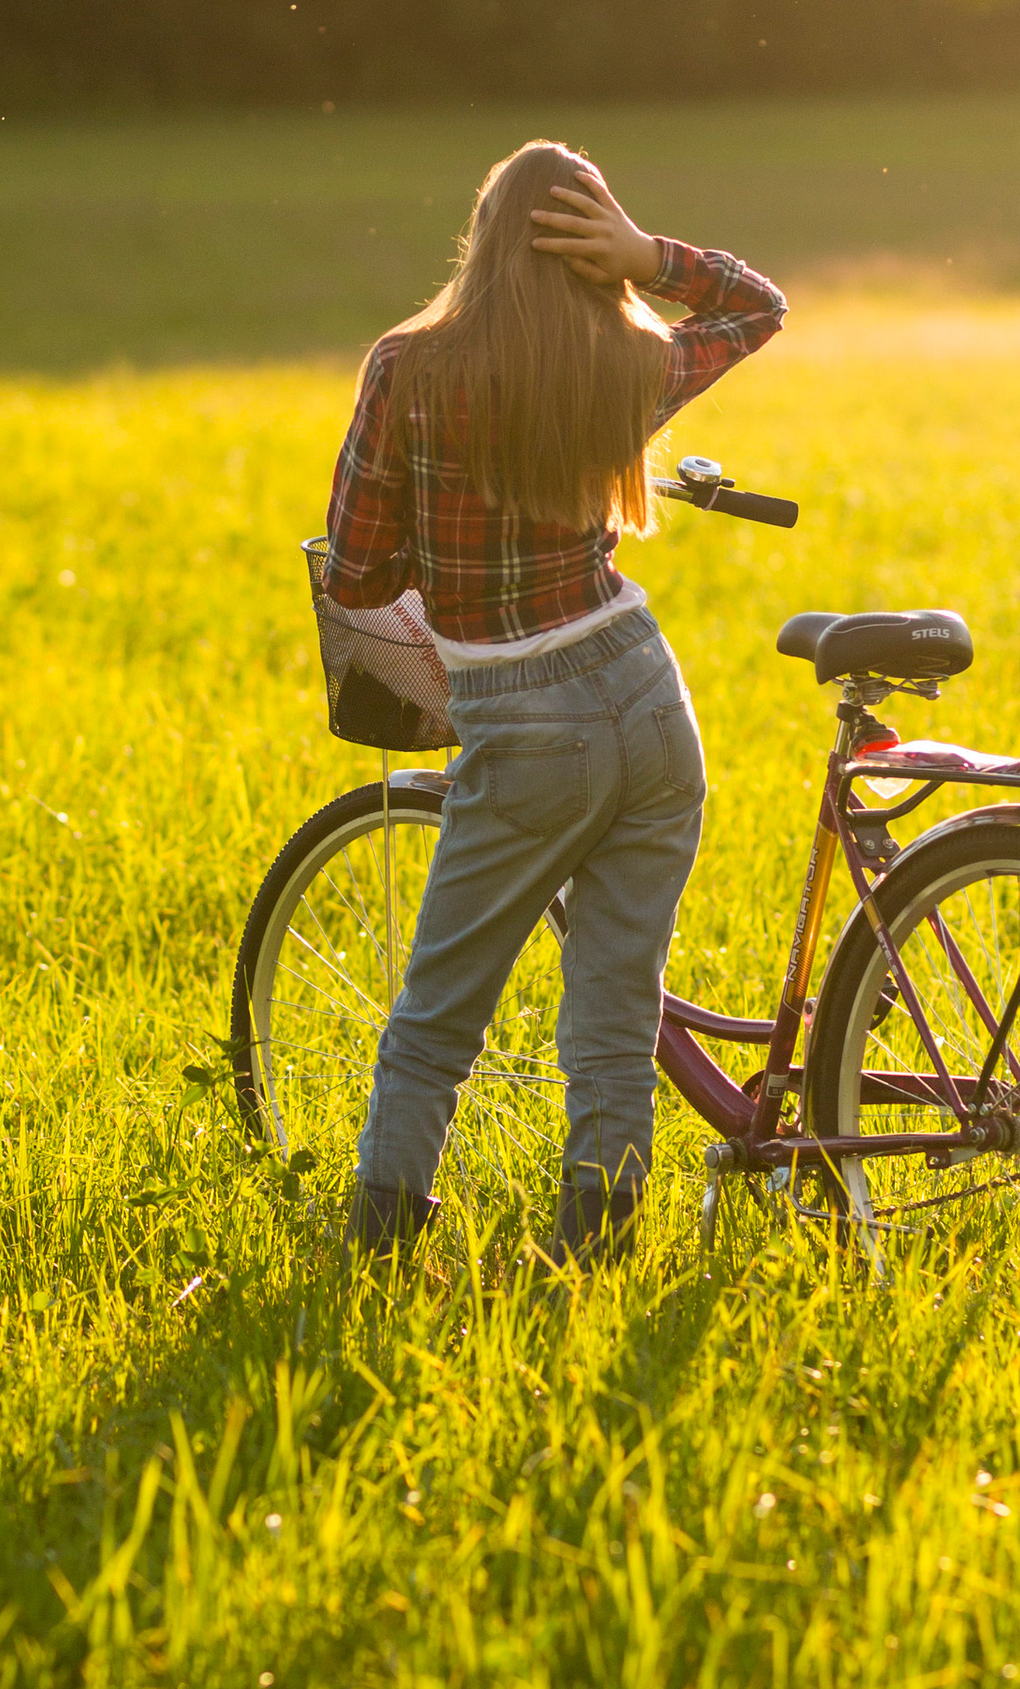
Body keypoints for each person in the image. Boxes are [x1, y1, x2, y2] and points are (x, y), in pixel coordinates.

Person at [321, 139, 788, 1267]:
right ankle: (599, 1248)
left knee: (436, 1019)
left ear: (480, 240)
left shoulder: (408, 369)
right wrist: (652, 254)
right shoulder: (625, 364)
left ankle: (373, 1251)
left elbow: (357, 572)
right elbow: (757, 308)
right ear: (593, 250)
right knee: (617, 1013)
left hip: (524, 721)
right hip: (644, 690)